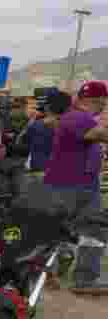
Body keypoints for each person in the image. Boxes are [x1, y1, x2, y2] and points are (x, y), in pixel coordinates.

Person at [43, 81, 108, 294]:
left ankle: (66, 275)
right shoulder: (77, 117)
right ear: (98, 100)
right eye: (103, 102)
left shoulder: (76, 116)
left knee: (85, 230)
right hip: (69, 185)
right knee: (74, 230)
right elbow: (99, 135)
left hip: (80, 184)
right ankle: (77, 277)